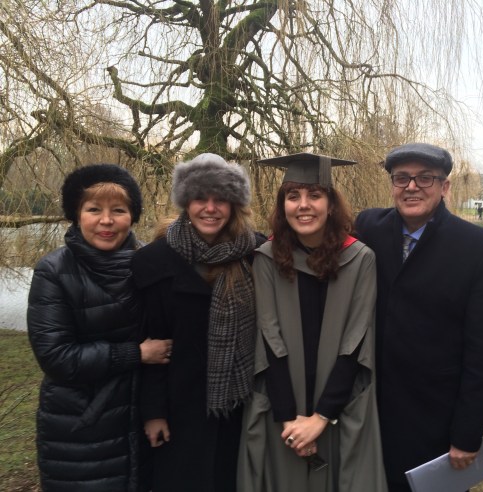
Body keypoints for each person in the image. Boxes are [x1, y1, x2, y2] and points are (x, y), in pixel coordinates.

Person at [354, 143, 483, 492]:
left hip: (434, 420)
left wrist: (468, 433)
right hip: (372, 416)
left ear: (444, 186)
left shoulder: (475, 247)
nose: (412, 187)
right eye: (402, 178)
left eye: (425, 178)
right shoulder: (369, 227)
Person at [238, 153, 387, 492]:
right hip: (281, 408)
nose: (303, 205)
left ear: (331, 205)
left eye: (314, 195)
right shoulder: (266, 259)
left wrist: (320, 418)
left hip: (340, 406)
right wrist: (291, 421)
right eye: (293, 196)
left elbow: (357, 343)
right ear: (283, 206)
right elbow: (268, 338)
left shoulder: (360, 259)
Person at [27, 164, 172, 491]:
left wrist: (156, 409)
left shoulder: (149, 264)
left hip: (142, 424)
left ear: (131, 217)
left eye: (118, 210)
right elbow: (57, 357)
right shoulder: (53, 271)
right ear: (76, 215)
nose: (106, 221)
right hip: (81, 427)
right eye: (94, 209)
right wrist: (135, 354)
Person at [131, 154, 263, 491]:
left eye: (221, 199)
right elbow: (152, 341)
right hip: (179, 410)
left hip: (239, 406)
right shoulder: (154, 261)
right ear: (186, 202)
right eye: (200, 198)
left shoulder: (257, 254)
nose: (210, 208)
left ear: (234, 204)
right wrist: (153, 412)